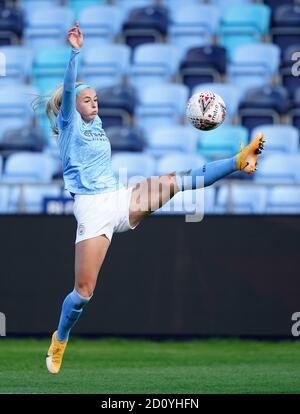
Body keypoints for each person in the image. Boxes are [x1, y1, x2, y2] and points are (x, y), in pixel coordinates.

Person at [45, 22, 265, 374]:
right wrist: (75, 52)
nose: (94, 102)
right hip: (92, 210)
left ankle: (238, 161)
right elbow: (70, 91)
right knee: (83, 294)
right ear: (73, 105)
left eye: (96, 98)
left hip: (119, 198)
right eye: (87, 99)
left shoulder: (98, 125)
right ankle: (60, 338)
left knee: (172, 182)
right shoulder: (69, 125)